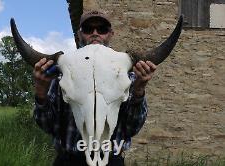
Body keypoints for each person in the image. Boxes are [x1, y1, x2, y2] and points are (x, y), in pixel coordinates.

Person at [33, 10, 156, 166]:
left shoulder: (128, 77)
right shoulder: (60, 77)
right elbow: (47, 125)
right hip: (68, 160)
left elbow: (132, 127)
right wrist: (41, 91)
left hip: (112, 160)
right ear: (80, 34)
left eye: (102, 29)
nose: (95, 33)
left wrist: (138, 90)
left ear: (111, 34)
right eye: (88, 29)